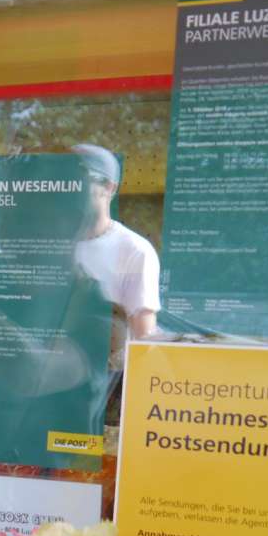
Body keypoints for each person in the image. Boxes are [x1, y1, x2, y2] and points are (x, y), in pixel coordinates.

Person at [71, 143, 161, 369]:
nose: (70, 186)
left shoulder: (135, 250)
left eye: (81, 177)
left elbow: (144, 342)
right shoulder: (47, 244)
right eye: (65, 177)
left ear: (109, 188)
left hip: (99, 387)